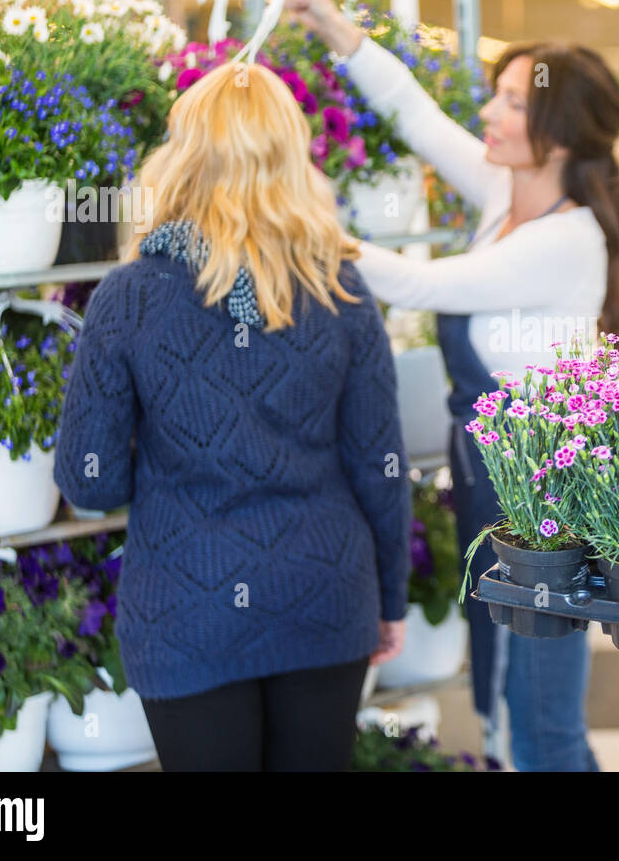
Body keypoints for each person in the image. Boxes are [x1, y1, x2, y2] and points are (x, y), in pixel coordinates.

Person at [286, 0, 619, 772]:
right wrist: (333, 27)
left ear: (556, 133)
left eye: (513, 101)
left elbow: (419, 282)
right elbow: (413, 113)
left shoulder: (567, 237)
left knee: (539, 713)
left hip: (543, 502)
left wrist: (291, 224)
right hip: (493, 480)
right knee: (498, 691)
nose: (487, 112)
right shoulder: (505, 193)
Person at [54, 60, 411, 772]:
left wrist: (167, 454)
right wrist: (391, 597)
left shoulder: (127, 297)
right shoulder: (340, 286)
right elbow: (380, 464)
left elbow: (86, 482)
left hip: (188, 612)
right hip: (324, 594)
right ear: (291, 156)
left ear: (181, 155)